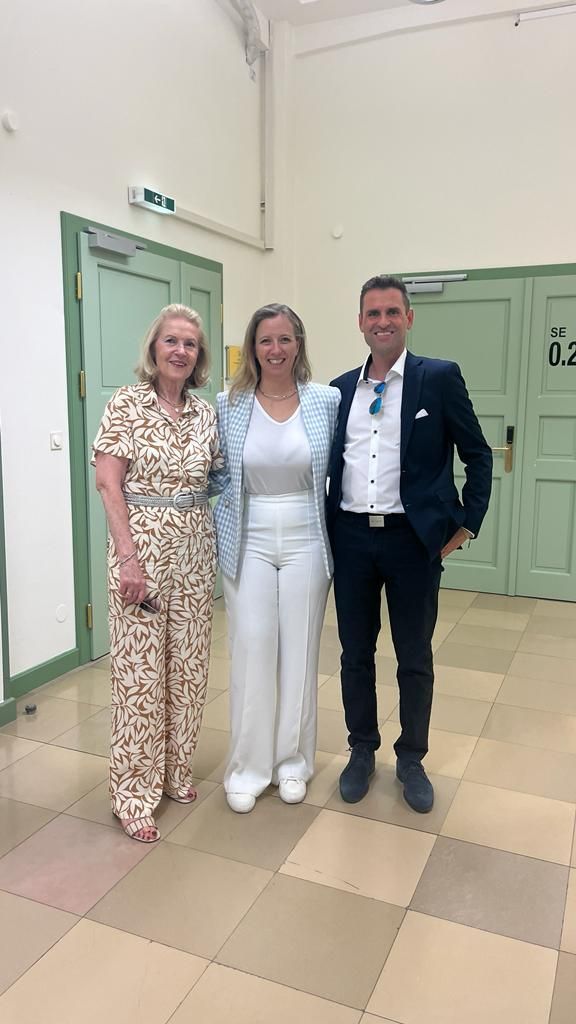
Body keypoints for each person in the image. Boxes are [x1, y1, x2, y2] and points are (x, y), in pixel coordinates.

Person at [327, 275, 492, 813]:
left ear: (409, 318)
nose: (382, 322)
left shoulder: (438, 379)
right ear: (360, 322)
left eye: (392, 312)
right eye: (372, 313)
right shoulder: (339, 389)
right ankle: (361, 750)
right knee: (355, 653)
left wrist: (467, 523)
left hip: (412, 542)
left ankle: (412, 758)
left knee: (414, 657)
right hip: (351, 538)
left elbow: (478, 454)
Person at [93, 304, 223, 842]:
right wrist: (128, 556)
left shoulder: (205, 413)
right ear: (154, 349)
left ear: (198, 357)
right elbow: (108, 482)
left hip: (195, 550)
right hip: (140, 551)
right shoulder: (126, 404)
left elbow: (217, 477)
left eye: (190, 344)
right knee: (141, 677)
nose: (180, 351)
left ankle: (175, 771)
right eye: (171, 341)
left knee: (189, 672)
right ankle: (133, 793)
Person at [214, 303, 340, 813]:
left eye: (285, 339)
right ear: (252, 348)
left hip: (308, 532)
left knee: (300, 650)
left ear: (299, 344)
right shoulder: (229, 403)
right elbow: (217, 473)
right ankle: (247, 767)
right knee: (253, 647)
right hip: (250, 533)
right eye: (266, 340)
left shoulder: (325, 400)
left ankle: (292, 762)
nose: (276, 349)